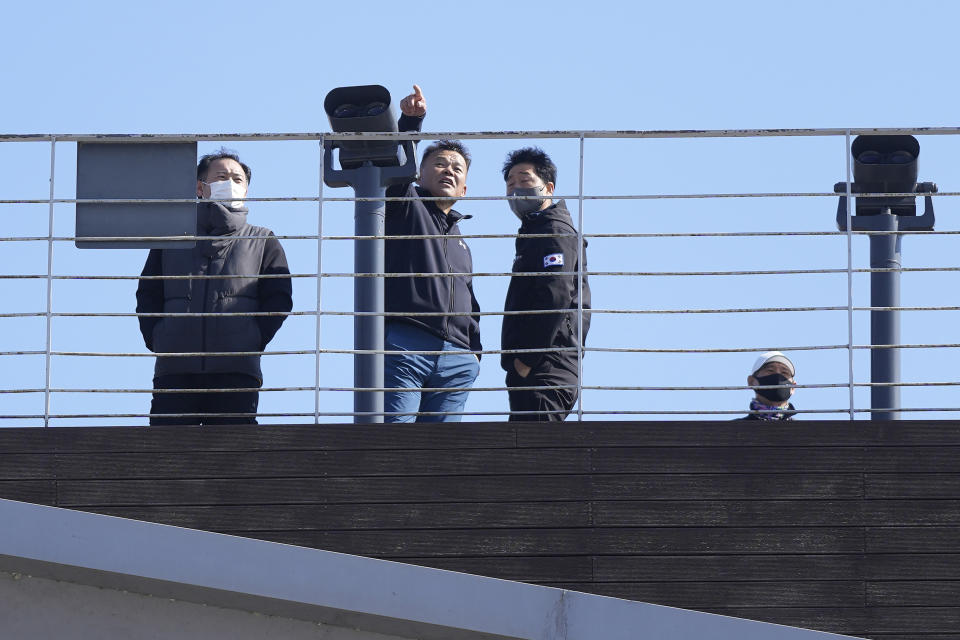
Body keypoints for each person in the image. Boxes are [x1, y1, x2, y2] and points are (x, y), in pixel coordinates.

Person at [135, 149, 292, 425]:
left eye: (237, 179)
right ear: (200, 187)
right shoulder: (171, 238)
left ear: (246, 190)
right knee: (166, 456)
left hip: (236, 370)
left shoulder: (262, 239)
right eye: (221, 176)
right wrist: (159, 336)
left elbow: (279, 298)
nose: (230, 183)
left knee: (231, 459)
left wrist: (253, 338)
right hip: (175, 369)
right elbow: (148, 292)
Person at [382, 85, 481, 422]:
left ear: (465, 188)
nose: (449, 170)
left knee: (441, 459)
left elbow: (469, 296)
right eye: (439, 164)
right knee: (393, 442)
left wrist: (474, 352)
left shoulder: (461, 241)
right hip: (407, 342)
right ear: (420, 176)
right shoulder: (406, 207)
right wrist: (412, 123)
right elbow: (395, 172)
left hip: (457, 357)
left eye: (457, 168)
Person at [500, 147, 591, 422]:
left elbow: (556, 295)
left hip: (547, 366)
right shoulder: (535, 232)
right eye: (510, 184)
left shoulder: (555, 231)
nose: (516, 190)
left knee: (533, 454)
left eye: (525, 180)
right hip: (537, 366)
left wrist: (528, 359)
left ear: (547, 187)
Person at [736, 351, 797, 421]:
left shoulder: (803, 430)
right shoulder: (734, 428)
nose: (778, 375)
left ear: (793, 387)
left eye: (784, 372)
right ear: (751, 382)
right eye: (770, 370)